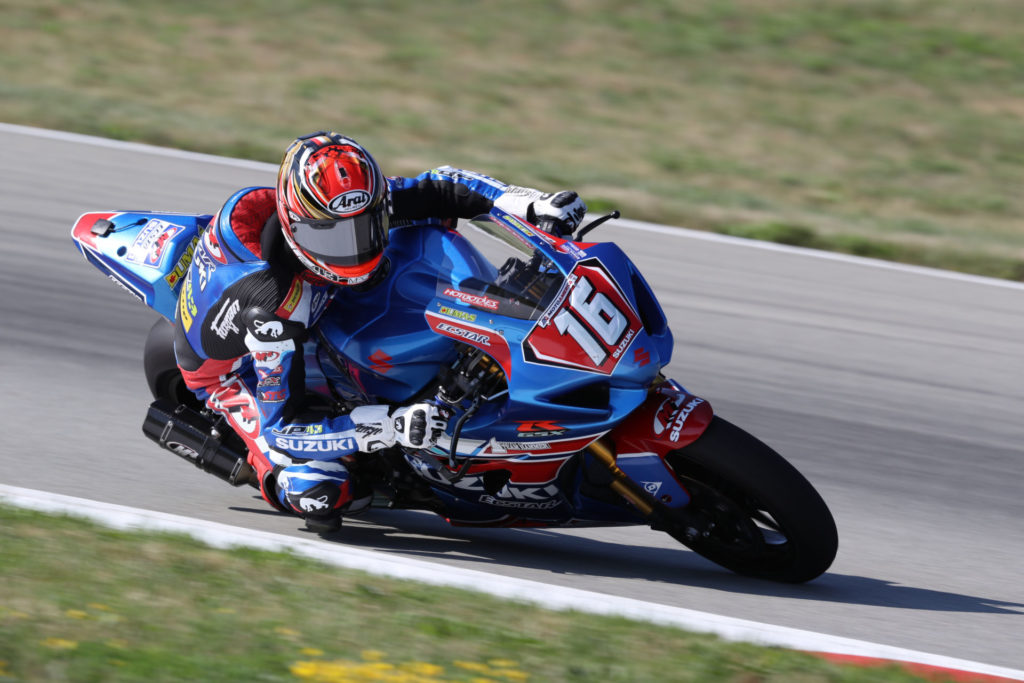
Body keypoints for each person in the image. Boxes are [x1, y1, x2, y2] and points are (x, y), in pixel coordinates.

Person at [173, 130, 587, 531]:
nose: (355, 249)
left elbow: (442, 186)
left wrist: (532, 204)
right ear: (297, 228)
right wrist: (389, 424)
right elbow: (286, 429)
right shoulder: (274, 311)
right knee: (319, 490)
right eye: (336, 238)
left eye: (366, 227)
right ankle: (269, 478)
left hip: (317, 294)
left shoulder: (340, 205)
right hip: (234, 370)